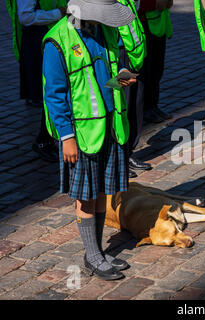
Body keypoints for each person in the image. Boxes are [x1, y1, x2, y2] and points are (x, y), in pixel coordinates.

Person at [43, 0, 137, 280]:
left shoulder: (102, 32)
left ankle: (95, 250)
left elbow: (100, 82)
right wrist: (66, 137)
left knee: (99, 192)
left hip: (108, 126)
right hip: (82, 134)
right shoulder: (56, 41)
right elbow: (55, 94)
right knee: (85, 196)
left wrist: (120, 80)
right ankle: (93, 256)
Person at [7, 0, 67, 162]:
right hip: (39, 41)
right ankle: (44, 141)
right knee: (51, 91)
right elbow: (25, 17)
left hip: (58, 36)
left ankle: (56, 136)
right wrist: (59, 13)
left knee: (59, 89)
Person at [117, 0, 153, 178]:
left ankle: (128, 153)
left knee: (135, 106)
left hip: (134, 53)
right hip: (119, 53)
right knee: (122, 107)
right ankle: (118, 159)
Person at [137, 0, 173, 123]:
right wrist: (154, 3)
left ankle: (153, 106)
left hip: (157, 24)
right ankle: (146, 109)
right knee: (146, 71)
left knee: (157, 69)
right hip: (143, 24)